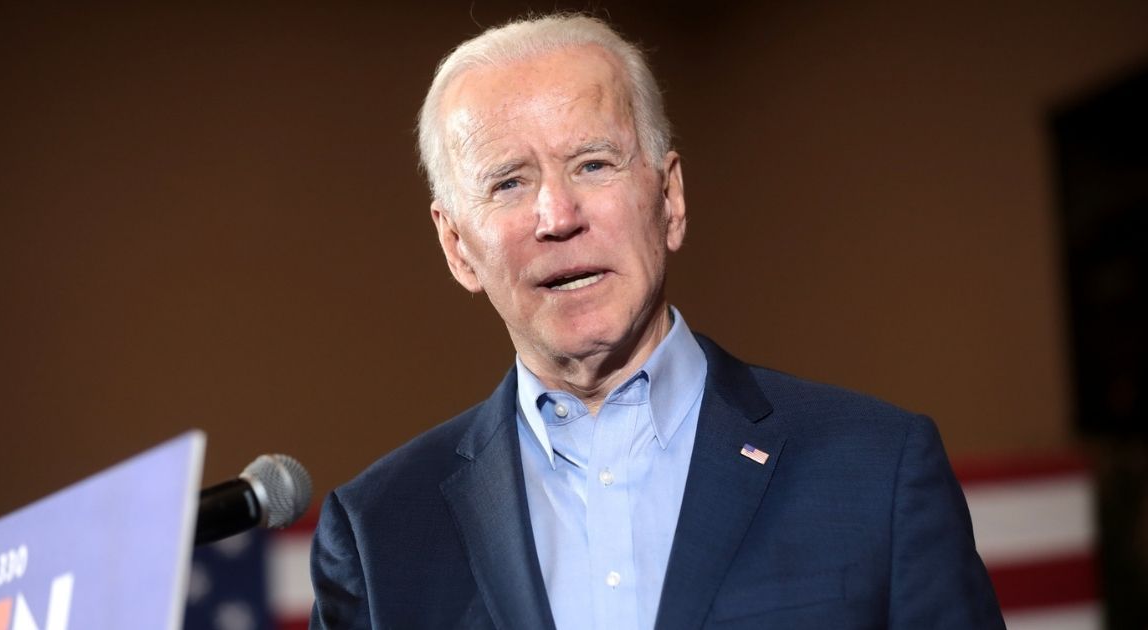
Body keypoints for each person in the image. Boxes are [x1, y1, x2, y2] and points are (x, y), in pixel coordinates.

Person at [309, 13, 1004, 630]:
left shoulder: (878, 469)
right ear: (458, 247)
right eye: (509, 182)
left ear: (669, 198)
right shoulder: (378, 534)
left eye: (592, 163)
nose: (557, 216)